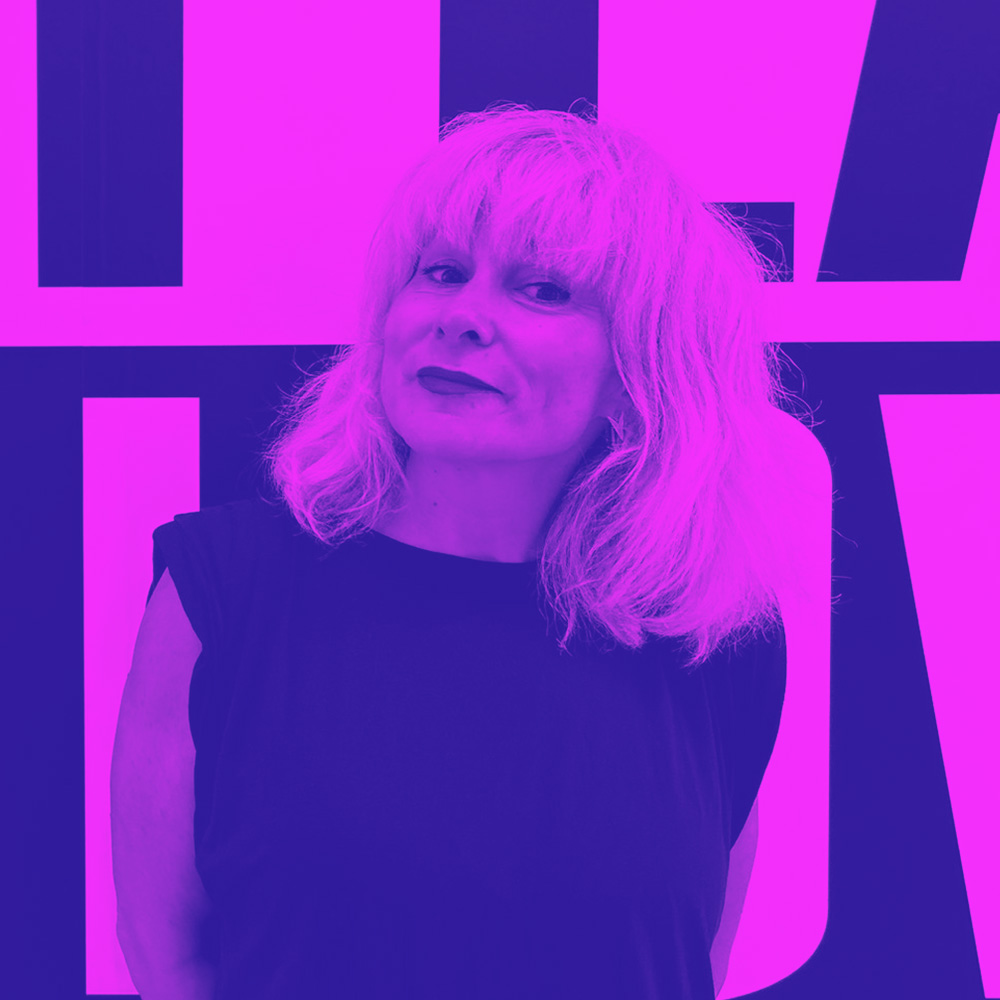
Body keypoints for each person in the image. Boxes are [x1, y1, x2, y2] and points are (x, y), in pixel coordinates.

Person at [111, 104, 806, 1000]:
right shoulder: (228, 588)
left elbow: (691, 967)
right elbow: (166, 955)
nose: (463, 317)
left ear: (641, 370)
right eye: (440, 272)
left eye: (542, 289)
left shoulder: (709, 632)